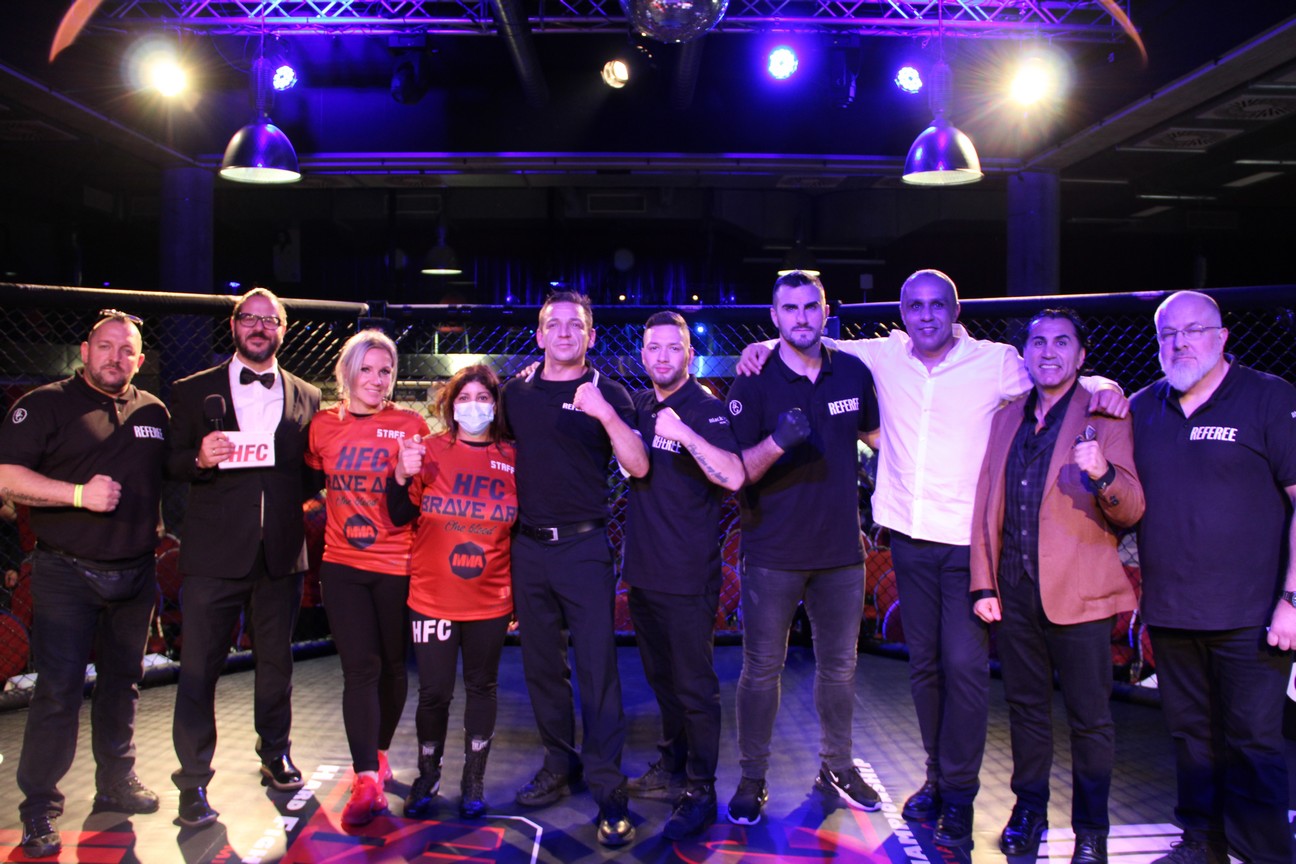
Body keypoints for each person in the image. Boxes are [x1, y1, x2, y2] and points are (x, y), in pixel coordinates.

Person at [736, 269, 1124, 845]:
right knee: (923, 670)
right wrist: (760, 346)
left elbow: (1053, 371)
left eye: (937, 305)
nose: (925, 315)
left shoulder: (993, 361)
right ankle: (936, 779)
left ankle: (959, 795)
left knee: (964, 669)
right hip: (907, 539)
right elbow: (807, 338)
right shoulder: (882, 355)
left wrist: (1101, 382)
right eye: (914, 306)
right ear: (902, 314)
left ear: (955, 310)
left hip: (967, 541)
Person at [969, 309, 1144, 864]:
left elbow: (1131, 509)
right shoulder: (1006, 418)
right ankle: (1029, 810)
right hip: (1015, 590)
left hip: (1080, 594)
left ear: (1081, 355)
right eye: (1038, 342)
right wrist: (983, 583)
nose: (1049, 351)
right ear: (1025, 353)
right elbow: (986, 504)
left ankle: (1091, 831)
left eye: (1062, 342)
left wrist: (1103, 474)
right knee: (1025, 709)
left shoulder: (1105, 412)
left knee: (1090, 720)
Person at [1130, 290, 1296, 864]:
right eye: (1168, 334)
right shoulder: (1140, 408)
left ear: (1222, 336)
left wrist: (1292, 599)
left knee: (1252, 742)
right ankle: (1202, 843)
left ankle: (1264, 855)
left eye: (1193, 330)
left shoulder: (1269, 397)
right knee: (1190, 736)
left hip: (1253, 614)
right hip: (1173, 612)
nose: (1180, 343)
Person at [0, 309, 169, 859]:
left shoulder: (154, 410)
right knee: (58, 691)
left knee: (123, 684)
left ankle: (115, 780)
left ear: (139, 360)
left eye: (128, 350)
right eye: (106, 346)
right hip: (66, 571)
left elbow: (172, 472)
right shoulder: (44, 404)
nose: (116, 357)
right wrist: (78, 495)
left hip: (135, 571)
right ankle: (39, 808)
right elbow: (6, 478)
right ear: (85, 350)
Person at [724, 271, 882, 826]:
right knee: (760, 669)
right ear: (775, 317)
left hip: (841, 551)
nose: (801, 317)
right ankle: (752, 777)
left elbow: (878, 442)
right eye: (789, 308)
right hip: (772, 550)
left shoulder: (853, 372)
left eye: (810, 306)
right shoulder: (752, 381)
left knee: (840, 668)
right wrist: (777, 442)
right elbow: (737, 472)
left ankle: (837, 766)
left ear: (825, 310)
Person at [167, 287, 321, 828]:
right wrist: (197, 458)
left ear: (283, 330)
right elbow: (168, 462)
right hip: (213, 555)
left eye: (270, 320)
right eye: (249, 318)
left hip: (280, 554)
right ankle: (192, 780)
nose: (259, 327)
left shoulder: (307, 395)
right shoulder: (192, 390)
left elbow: (311, 474)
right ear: (234, 325)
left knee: (277, 664)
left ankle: (275, 752)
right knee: (198, 669)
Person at [500, 290, 648, 847]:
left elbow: (638, 465)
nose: (564, 332)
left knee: (597, 670)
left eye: (576, 324)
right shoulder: (515, 393)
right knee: (541, 667)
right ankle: (558, 766)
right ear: (540, 334)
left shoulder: (611, 392)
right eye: (554, 324)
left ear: (591, 335)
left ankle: (609, 789)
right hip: (528, 547)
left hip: (584, 548)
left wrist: (604, 412)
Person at [620, 311, 743, 840]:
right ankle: (672, 765)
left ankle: (701, 789)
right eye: (655, 347)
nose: (664, 356)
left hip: (689, 575)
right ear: (643, 355)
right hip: (644, 572)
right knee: (663, 682)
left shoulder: (706, 408)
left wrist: (685, 435)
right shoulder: (641, 405)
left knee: (695, 687)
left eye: (674, 347)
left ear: (689, 355)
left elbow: (733, 475)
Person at [304, 329, 428, 825]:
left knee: (394, 668)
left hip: (396, 565)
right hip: (342, 566)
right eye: (368, 369)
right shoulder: (321, 427)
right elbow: (310, 481)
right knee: (360, 669)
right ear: (347, 372)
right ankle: (365, 777)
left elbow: (412, 504)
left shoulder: (409, 425)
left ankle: (377, 754)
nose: (377, 380)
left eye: (386, 371)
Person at [387, 364, 517, 821]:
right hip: (432, 596)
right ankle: (428, 775)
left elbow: (522, 530)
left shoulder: (512, 457)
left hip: (490, 597)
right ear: (450, 404)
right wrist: (399, 474)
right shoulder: (427, 450)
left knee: (483, 687)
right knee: (434, 692)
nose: (473, 406)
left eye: (483, 397)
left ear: (496, 405)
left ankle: (473, 780)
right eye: (464, 397)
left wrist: (519, 597)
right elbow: (398, 514)